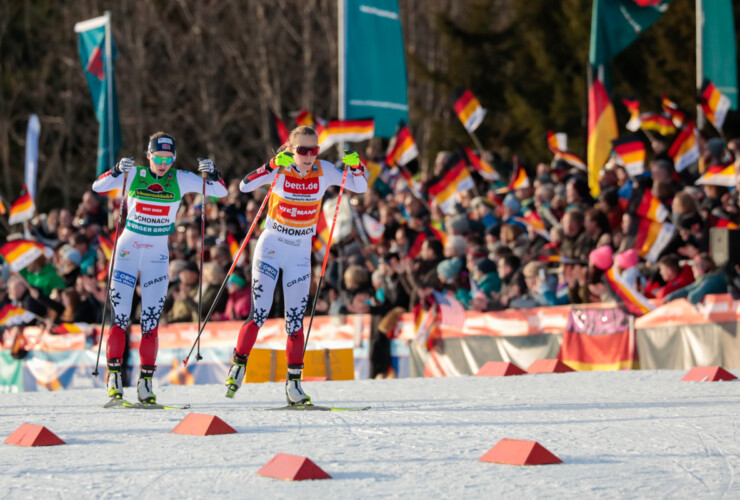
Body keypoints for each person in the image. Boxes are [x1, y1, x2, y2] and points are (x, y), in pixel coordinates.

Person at [225, 125, 367, 405]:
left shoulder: (324, 170)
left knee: (295, 321)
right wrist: (270, 165)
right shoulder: (281, 168)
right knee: (260, 313)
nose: (308, 156)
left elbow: (359, 186)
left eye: (313, 150)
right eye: (302, 150)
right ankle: (239, 364)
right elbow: (244, 185)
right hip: (272, 246)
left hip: (300, 251)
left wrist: (357, 166)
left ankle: (294, 384)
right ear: (291, 149)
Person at [91, 131, 227, 403]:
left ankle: (145, 382)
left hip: (156, 256)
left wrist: (212, 174)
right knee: (120, 318)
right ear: (148, 156)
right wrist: (117, 170)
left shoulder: (180, 178)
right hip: (128, 251)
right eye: (158, 157)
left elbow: (220, 191)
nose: (163, 163)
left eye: (169, 157)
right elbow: (98, 187)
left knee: (150, 322)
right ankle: (114, 376)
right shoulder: (135, 175)